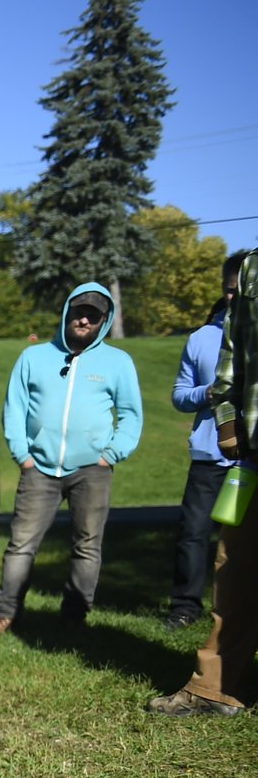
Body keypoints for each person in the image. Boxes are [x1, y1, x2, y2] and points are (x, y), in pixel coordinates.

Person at [0, 283, 143, 635]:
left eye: (93, 315)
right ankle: (6, 613)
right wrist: (22, 454)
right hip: (38, 467)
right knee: (21, 545)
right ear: (67, 312)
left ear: (104, 320)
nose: (84, 319)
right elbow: (15, 408)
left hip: (93, 469)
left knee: (87, 546)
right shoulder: (33, 357)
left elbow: (131, 414)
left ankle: (75, 616)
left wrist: (112, 453)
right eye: (79, 311)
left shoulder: (117, 362)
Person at [151, 249, 257, 717]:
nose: (232, 296)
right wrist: (229, 426)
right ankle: (214, 688)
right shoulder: (243, 297)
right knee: (235, 568)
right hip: (248, 456)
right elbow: (229, 374)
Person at [164, 251, 248, 630]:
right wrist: (208, 393)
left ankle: (238, 612)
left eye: (244, 289)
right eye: (230, 290)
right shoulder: (201, 338)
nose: (236, 297)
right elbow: (180, 395)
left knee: (244, 543)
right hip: (210, 455)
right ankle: (184, 608)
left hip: (251, 459)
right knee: (192, 534)